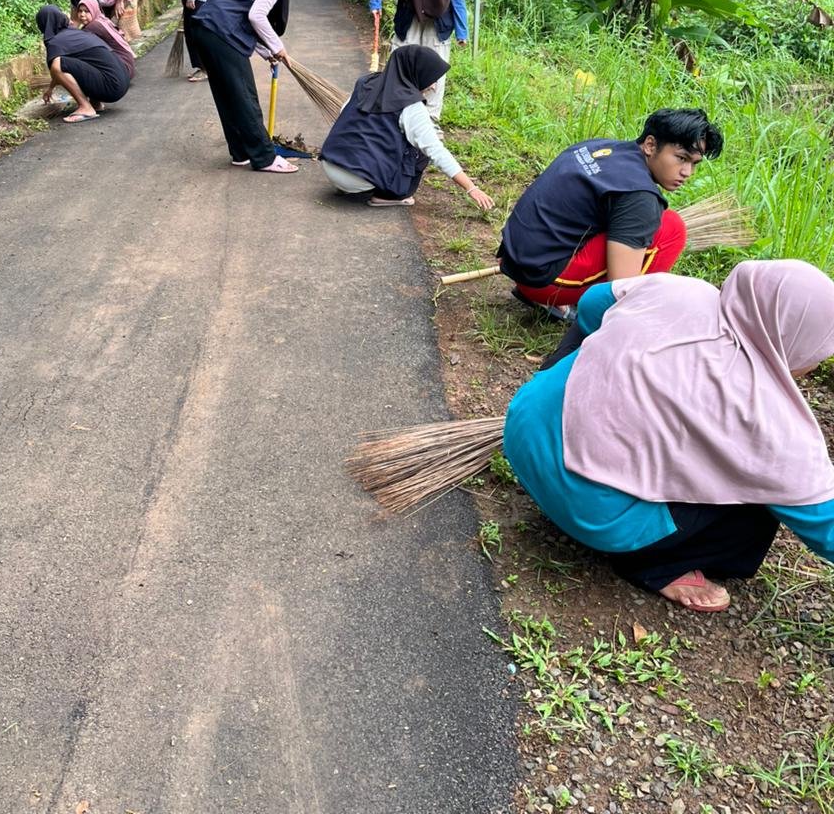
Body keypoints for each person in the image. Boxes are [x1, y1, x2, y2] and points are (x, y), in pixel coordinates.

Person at [502, 261, 834, 614]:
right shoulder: (772, 419)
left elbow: (593, 303)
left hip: (523, 428)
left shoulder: (678, 289)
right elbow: (825, 522)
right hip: (590, 514)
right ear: (796, 337)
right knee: (760, 508)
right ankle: (657, 565)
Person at [497, 108, 724, 319]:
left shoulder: (602, 148)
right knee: (671, 229)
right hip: (541, 282)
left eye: (694, 164)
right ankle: (601, 322)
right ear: (650, 145)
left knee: (626, 220)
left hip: (513, 256)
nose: (687, 172)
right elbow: (621, 285)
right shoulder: (639, 197)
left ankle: (557, 300)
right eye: (681, 158)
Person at [320, 46, 494, 210]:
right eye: (430, 77)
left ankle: (348, 185)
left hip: (331, 165)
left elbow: (343, 112)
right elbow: (436, 151)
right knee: (421, 151)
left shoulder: (366, 83)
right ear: (415, 73)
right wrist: (471, 188)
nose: (433, 85)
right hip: (359, 178)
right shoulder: (411, 105)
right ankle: (388, 196)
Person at [189, 0, 308, 172]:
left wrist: (266, 52)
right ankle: (265, 157)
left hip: (204, 29)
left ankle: (241, 151)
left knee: (227, 94)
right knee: (244, 95)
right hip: (219, 33)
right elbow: (256, 17)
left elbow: (238, 20)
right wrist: (277, 47)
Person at [36, 5, 131, 124]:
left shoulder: (56, 42)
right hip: (123, 79)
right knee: (84, 61)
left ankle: (86, 108)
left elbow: (57, 68)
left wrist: (50, 88)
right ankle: (95, 103)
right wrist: (51, 88)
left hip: (112, 87)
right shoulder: (74, 33)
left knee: (57, 63)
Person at [73, 0, 136, 79]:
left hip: (123, 69)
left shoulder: (93, 26)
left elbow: (77, 42)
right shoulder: (101, 19)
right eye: (80, 11)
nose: (82, 14)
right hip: (127, 65)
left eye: (87, 11)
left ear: (94, 10)